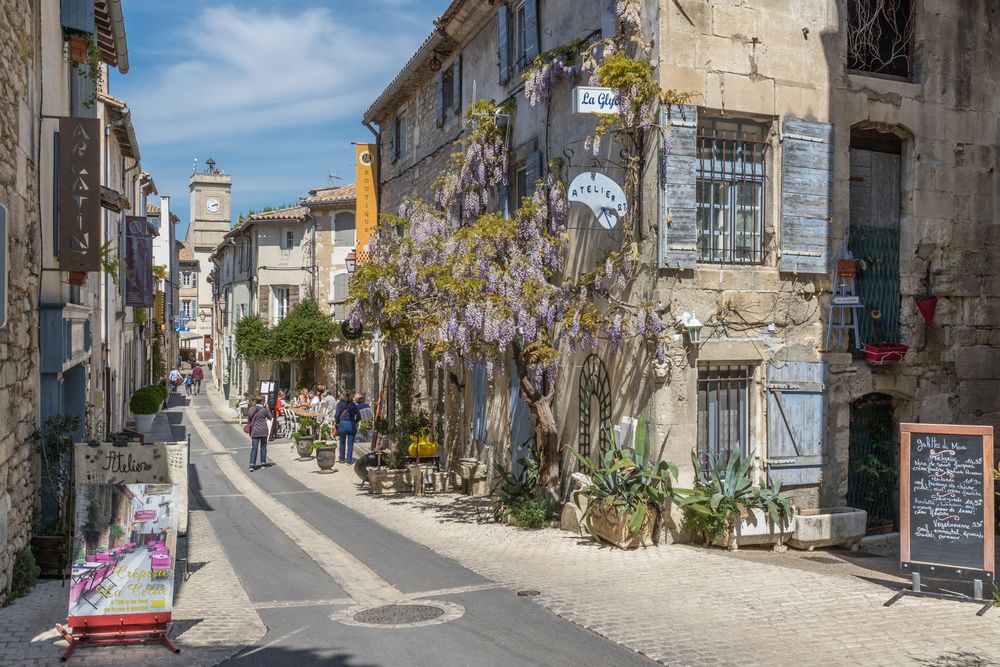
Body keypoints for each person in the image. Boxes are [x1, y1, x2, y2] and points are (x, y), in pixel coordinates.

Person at [335, 392, 361, 464]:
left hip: (342, 424)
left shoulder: (339, 404)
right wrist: (355, 422)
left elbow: (337, 415)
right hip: (351, 424)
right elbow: (359, 416)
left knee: (342, 443)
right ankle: (349, 461)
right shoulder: (353, 405)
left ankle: (342, 459)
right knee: (350, 443)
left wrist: (337, 422)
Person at [247, 396, 272, 471]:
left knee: (254, 448)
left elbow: (249, 418)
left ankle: (252, 465)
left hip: (254, 430)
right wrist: (267, 408)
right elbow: (270, 417)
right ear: (262, 401)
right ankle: (263, 463)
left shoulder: (251, 409)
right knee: (263, 447)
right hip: (263, 430)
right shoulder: (264, 410)